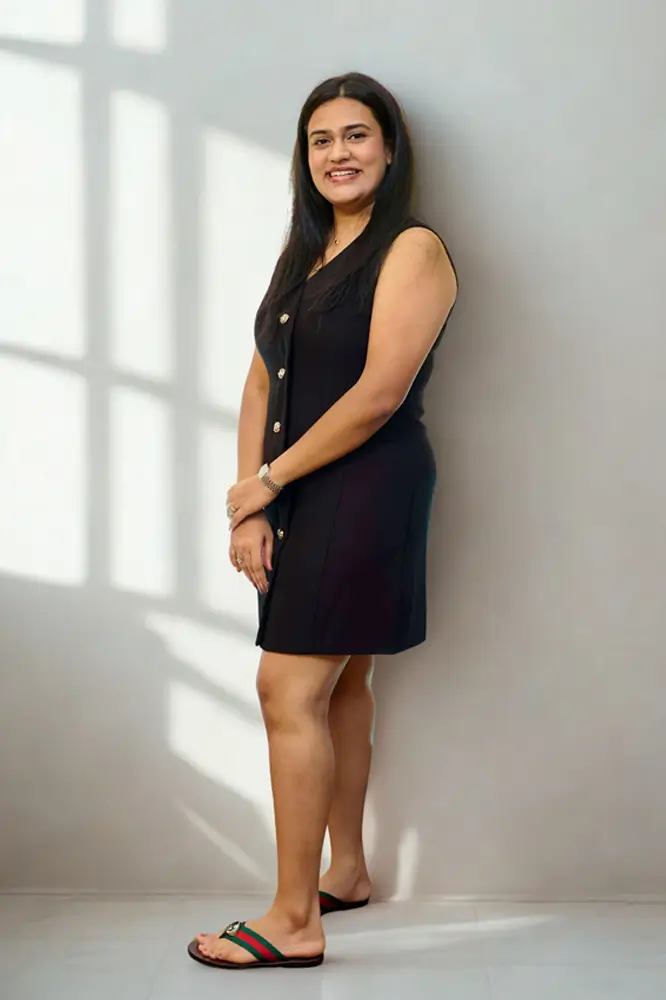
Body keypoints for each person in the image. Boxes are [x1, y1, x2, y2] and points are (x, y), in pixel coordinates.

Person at [188, 71, 458, 971]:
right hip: (301, 486)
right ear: (304, 157)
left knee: (287, 688)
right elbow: (261, 381)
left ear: (390, 147)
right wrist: (252, 499)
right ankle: (346, 872)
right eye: (320, 139)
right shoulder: (304, 253)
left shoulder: (412, 248)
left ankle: (294, 919)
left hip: (369, 484)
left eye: (356, 135)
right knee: (341, 686)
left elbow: (379, 394)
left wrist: (268, 481)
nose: (338, 153)